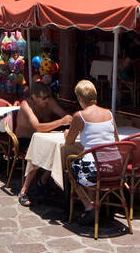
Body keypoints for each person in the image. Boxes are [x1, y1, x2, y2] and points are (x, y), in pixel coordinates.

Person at [63, 79, 118, 225]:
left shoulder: (79, 116)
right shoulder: (109, 113)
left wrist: (66, 133)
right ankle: (97, 203)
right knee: (87, 161)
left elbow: (69, 142)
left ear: (80, 98)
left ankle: (90, 206)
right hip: (115, 170)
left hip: (94, 171)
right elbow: (116, 140)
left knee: (70, 169)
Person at [16, 82, 73, 205]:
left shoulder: (49, 101)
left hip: (44, 138)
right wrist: (61, 122)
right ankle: (24, 190)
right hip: (25, 139)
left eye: (48, 97)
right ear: (34, 97)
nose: (46, 101)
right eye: (43, 98)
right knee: (38, 153)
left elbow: (64, 116)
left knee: (59, 152)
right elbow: (36, 127)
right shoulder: (26, 105)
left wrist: (72, 120)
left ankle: (42, 181)